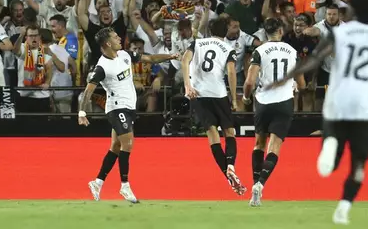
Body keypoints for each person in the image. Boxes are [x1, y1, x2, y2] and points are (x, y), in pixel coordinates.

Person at [266, 0, 368, 225]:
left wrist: (284, 79)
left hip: (338, 100)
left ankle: (331, 143)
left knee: (331, 160)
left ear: (353, 11)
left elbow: (313, 61)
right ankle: (344, 207)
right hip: (366, 106)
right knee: (358, 165)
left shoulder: (338, 33)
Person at [78, 27, 178, 203]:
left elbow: (150, 58)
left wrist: (171, 56)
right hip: (117, 108)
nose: (119, 38)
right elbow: (89, 89)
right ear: (108, 43)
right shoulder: (102, 67)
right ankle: (125, 185)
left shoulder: (124, 55)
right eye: (116, 37)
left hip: (129, 107)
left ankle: (97, 182)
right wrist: (82, 111)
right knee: (128, 143)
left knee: (116, 147)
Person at [243, 18, 304, 206]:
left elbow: (250, 82)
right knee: (274, 146)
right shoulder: (292, 51)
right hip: (284, 102)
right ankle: (260, 184)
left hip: (263, 102)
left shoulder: (259, 51)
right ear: (281, 30)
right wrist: (295, 85)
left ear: (265, 32)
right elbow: (302, 83)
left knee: (259, 144)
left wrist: (246, 98)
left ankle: (254, 185)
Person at [182, 17, 246, 196]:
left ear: (209, 31)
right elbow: (232, 72)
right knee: (229, 133)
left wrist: (188, 85)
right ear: (225, 31)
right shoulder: (228, 48)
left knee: (212, 135)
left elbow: (184, 61)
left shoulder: (197, 43)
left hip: (199, 95)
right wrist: (234, 99)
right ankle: (231, 165)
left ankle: (228, 175)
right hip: (218, 93)